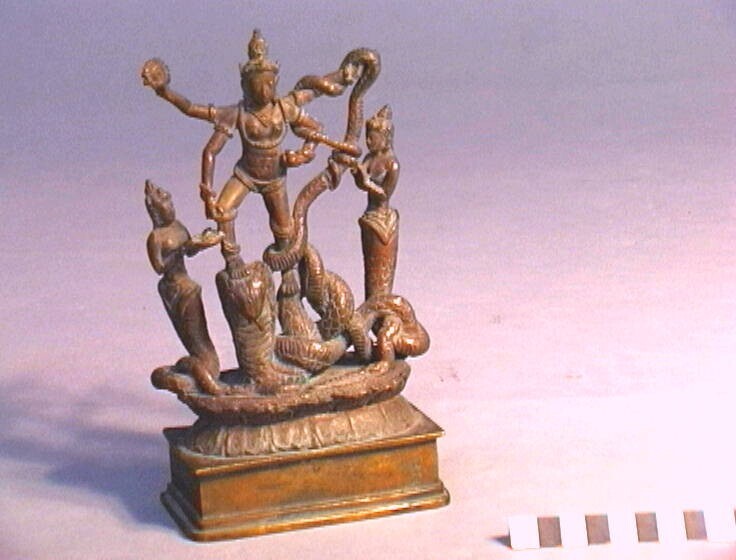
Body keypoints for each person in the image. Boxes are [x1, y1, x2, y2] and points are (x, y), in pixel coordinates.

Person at [142, 30, 323, 261]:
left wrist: (304, 153)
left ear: (276, 82)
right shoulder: (238, 113)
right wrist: (164, 91)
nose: (263, 90)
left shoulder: (284, 108)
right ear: (245, 85)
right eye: (257, 84)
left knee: (285, 231)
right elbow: (198, 125)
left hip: (275, 178)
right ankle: (233, 262)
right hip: (245, 174)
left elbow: (315, 129)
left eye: (268, 84)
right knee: (223, 210)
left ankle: (287, 270)